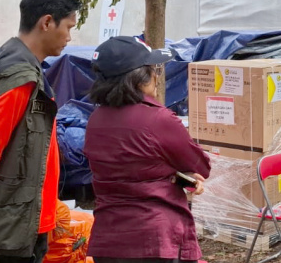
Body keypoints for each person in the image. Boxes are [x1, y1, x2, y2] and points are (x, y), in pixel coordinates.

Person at [0, 0, 81, 262]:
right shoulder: (20, 80)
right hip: (14, 222)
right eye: (68, 27)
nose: (69, 37)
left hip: (25, 214)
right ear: (47, 22)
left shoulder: (14, 66)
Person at [84, 36, 211, 262]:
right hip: (153, 238)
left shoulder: (95, 120)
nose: (156, 75)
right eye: (153, 69)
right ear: (138, 77)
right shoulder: (158, 119)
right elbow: (200, 165)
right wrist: (184, 176)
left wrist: (172, 175)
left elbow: (132, 171)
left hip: (109, 238)